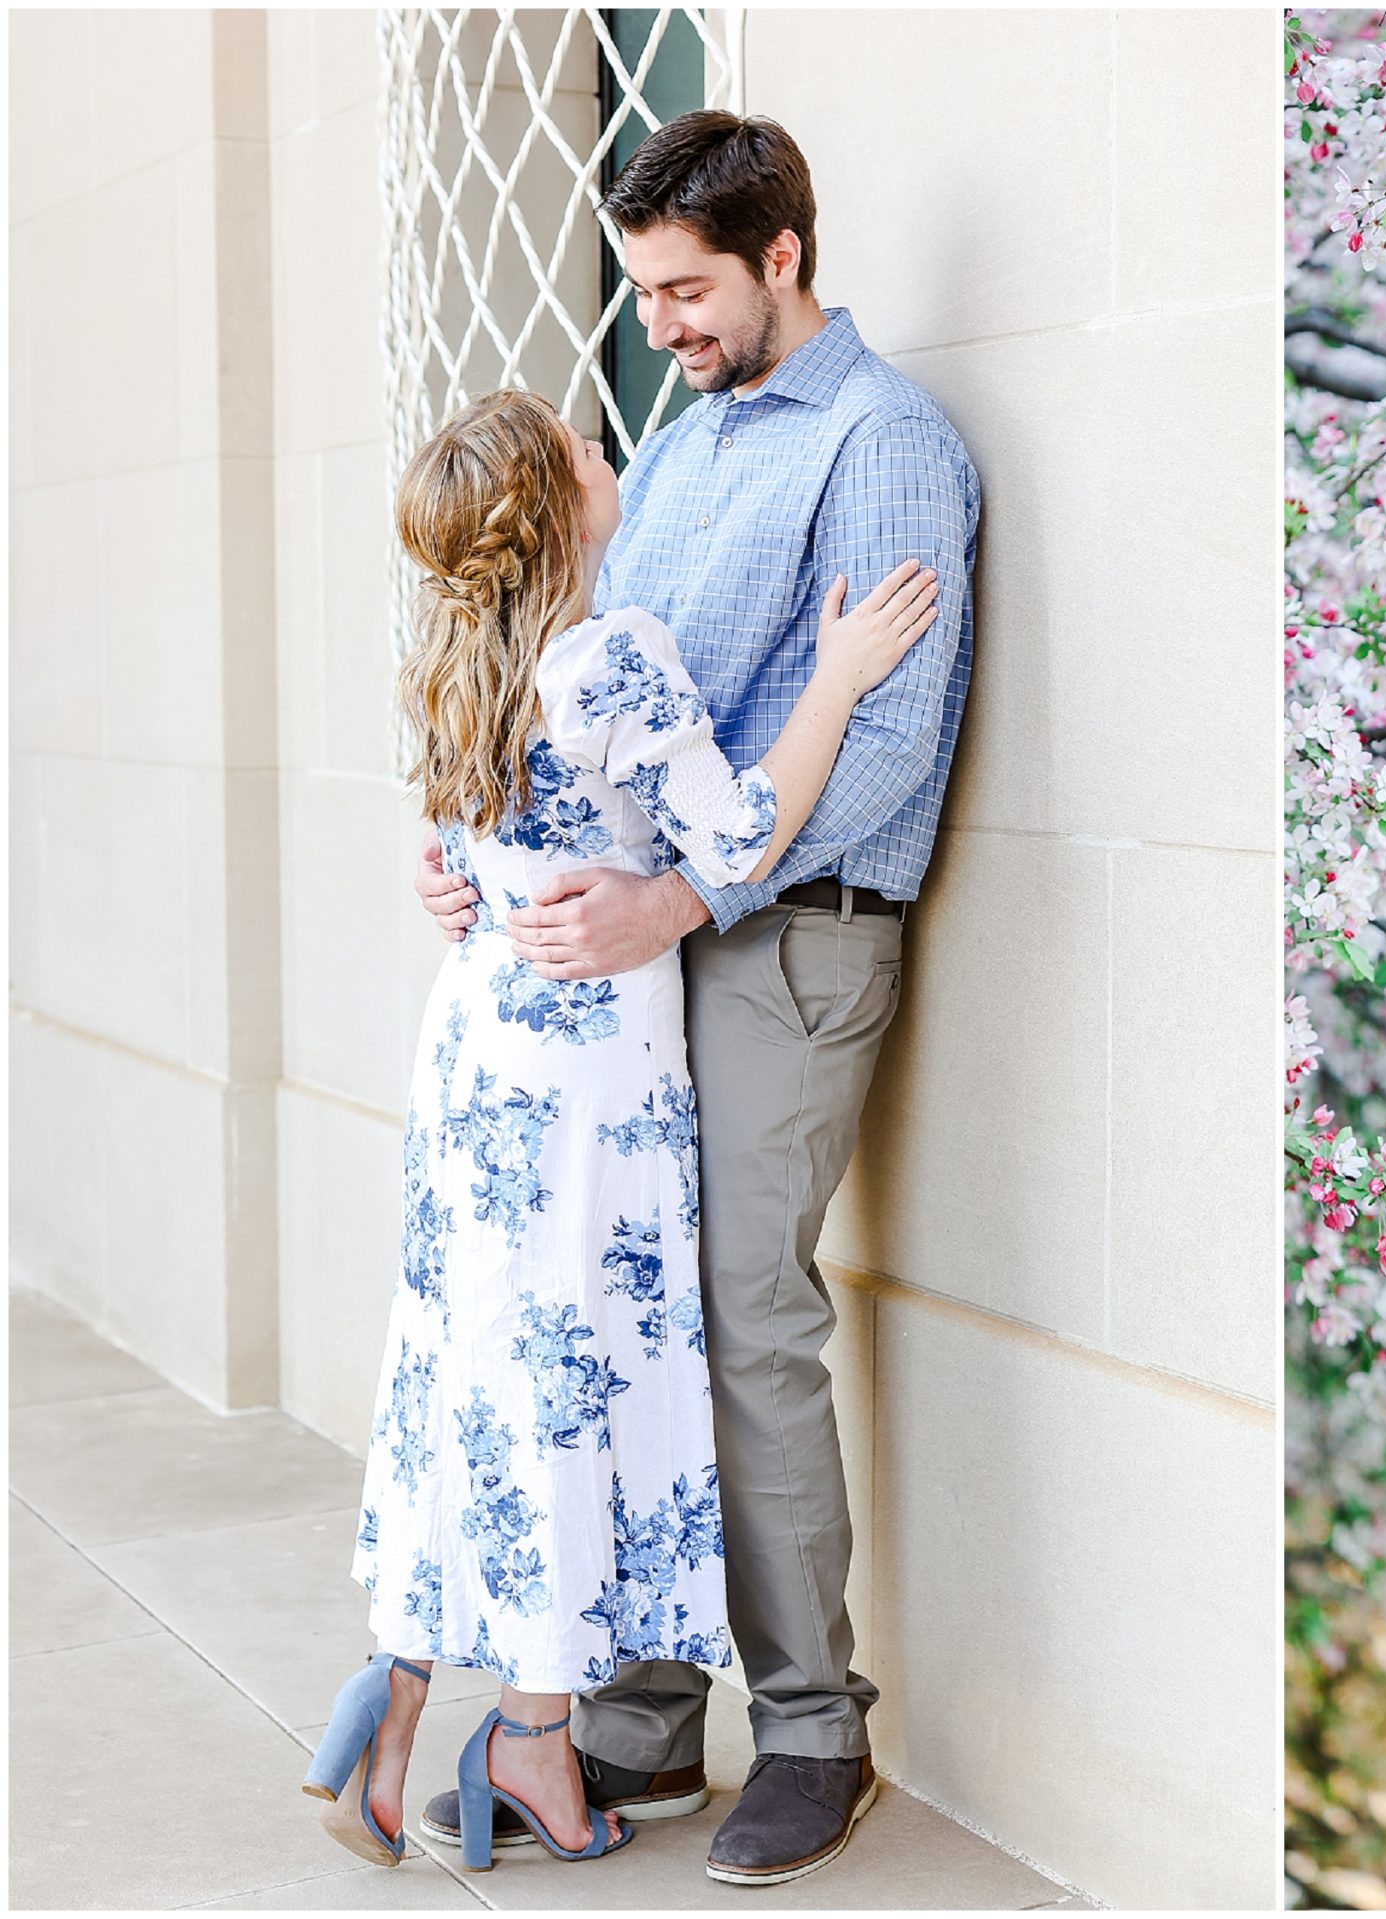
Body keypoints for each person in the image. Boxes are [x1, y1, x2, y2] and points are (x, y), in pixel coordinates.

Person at [410, 110, 980, 1888]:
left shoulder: (885, 447)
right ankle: (642, 1726)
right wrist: (486, 859)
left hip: (788, 930)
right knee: (624, 1306)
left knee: (741, 1312)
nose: (656, 321)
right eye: (644, 288)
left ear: (783, 257)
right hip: (640, 955)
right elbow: (581, 698)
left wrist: (680, 895)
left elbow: (887, 744)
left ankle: (816, 1732)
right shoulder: (670, 449)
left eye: (684, 288)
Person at [303, 386, 939, 1873]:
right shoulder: (614, 662)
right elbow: (733, 838)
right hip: (587, 1078)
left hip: (472, 1057)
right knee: (574, 1373)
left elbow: (468, 842)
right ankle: (528, 1727)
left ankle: (395, 1703)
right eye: (586, 450)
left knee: (469, 1362)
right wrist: (836, 679)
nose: (612, 455)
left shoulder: (457, 663)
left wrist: (449, 871)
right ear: (555, 508)